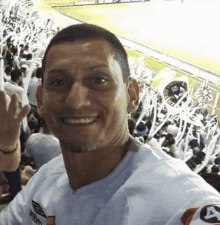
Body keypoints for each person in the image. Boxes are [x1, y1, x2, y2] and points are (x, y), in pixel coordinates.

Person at [1, 24, 220, 225]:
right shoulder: (46, 178)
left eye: (98, 80)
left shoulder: (178, 197)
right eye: (59, 82)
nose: (77, 101)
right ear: (40, 100)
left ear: (132, 95)